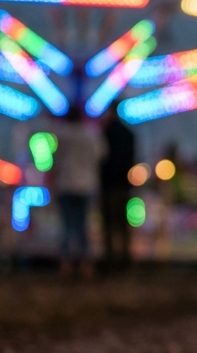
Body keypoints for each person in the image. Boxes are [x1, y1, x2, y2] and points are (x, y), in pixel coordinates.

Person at [52, 107, 106, 278]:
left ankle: (66, 264)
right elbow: (101, 156)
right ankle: (85, 264)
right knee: (83, 226)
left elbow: (56, 162)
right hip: (86, 185)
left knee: (67, 226)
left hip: (65, 184)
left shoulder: (62, 135)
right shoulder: (91, 135)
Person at [99, 105, 136, 273]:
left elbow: (100, 159)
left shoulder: (105, 134)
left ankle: (110, 259)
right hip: (124, 184)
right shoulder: (129, 135)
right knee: (123, 224)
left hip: (108, 184)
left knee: (108, 224)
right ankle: (125, 258)